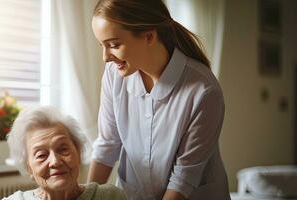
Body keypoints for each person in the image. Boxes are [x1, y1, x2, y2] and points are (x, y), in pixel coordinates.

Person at [87, 0, 230, 200]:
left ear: (149, 36)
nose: (105, 57)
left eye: (113, 45)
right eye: (102, 45)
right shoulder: (114, 75)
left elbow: (182, 179)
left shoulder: (203, 91)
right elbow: (107, 146)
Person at [4, 106, 126, 200]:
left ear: (78, 152)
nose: (55, 162)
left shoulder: (111, 197)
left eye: (63, 149)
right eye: (41, 155)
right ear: (28, 167)